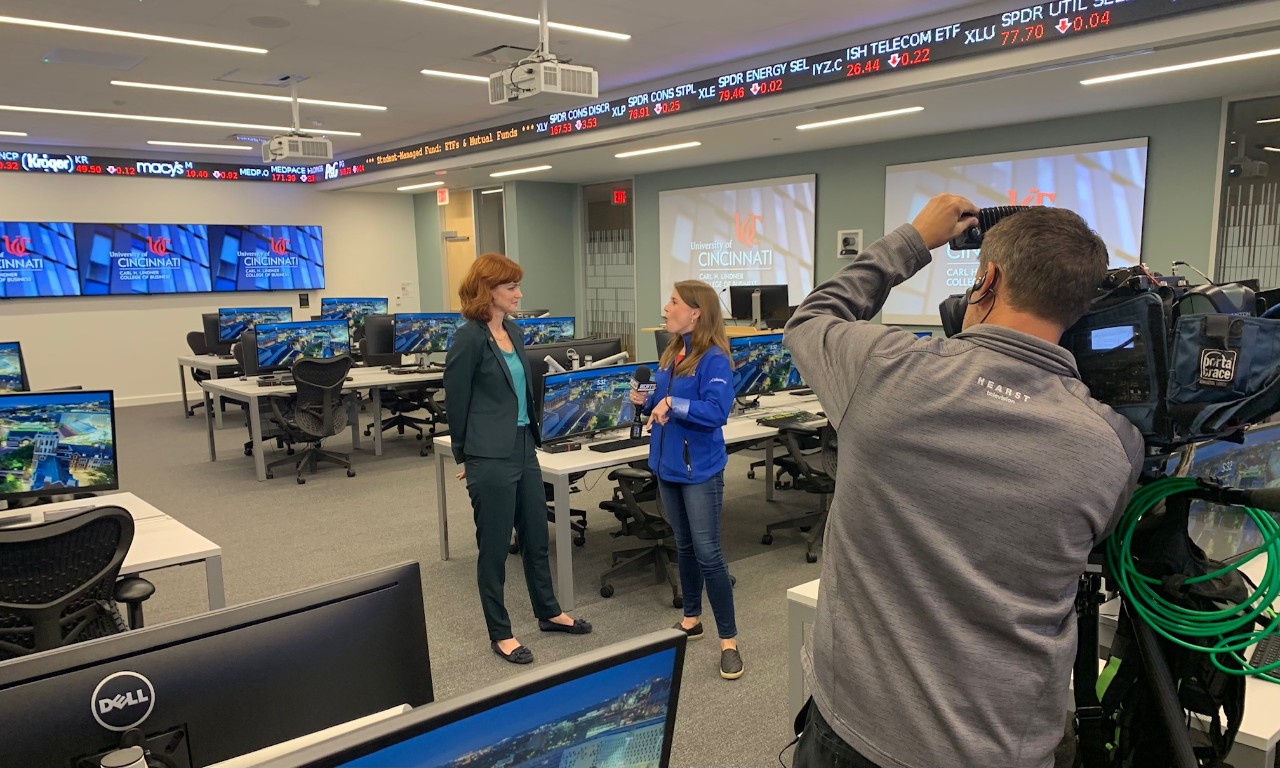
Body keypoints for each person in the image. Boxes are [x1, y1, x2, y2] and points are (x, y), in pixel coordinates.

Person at [784, 194, 1146, 767]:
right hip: (1004, 748)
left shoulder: (885, 371)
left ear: (988, 277)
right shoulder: (1115, 445)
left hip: (856, 731)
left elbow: (812, 318)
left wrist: (915, 238)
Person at [444, 253, 590, 665]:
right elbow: (457, 403)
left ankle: (549, 612)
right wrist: (465, 457)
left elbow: (524, 391)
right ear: (488, 289)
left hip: (525, 446)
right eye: (511, 287)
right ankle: (500, 632)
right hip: (488, 454)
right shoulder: (468, 338)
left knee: (535, 538)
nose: (519, 294)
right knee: (493, 548)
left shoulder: (514, 330)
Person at [630, 280, 742, 679]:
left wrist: (671, 402)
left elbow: (715, 412)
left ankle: (728, 641)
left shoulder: (714, 358)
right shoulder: (672, 353)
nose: (666, 308)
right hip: (667, 467)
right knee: (684, 546)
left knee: (709, 552)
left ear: (696, 312)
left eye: (673, 302)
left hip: (699, 471)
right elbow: (659, 410)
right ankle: (691, 617)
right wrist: (646, 404)